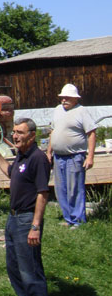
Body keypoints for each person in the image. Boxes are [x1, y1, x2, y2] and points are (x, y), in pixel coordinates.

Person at [0, 118, 51, 296]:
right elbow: (9, 172)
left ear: (32, 135)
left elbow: (42, 194)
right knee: (13, 268)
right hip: (13, 219)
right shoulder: (21, 155)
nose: (15, 136)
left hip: (27, 220)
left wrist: (35, 226)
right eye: (14, 132)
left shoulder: (38, 159)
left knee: (30, 270)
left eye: (20, 132)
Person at [46, 83, 96, 227]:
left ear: (75, 98)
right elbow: (53, 132)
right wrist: (49, 152)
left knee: (75, 189)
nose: (64, 100)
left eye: (67, 97)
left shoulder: (81, 111)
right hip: (58, 156)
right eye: (62, 97)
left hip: (75, 156)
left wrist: (90, 157)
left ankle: (78, 220)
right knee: (60, 189)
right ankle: (68, 218)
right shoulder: (57, 110)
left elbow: (91, 133)